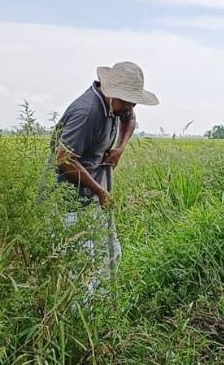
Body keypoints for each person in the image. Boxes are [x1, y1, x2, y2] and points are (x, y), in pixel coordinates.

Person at [52, 61, 159, 285]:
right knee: (81, 271)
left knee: (110, 256)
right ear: (113, 92)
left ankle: (102, 310)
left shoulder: (118, 106)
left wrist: (120, 147)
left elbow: (130, 119)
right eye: (129, 102)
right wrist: (100, 191)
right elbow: (63, 158)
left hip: (92, 200)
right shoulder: (87, 112)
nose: (131, 108)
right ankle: (81, 316)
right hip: (67, 204)